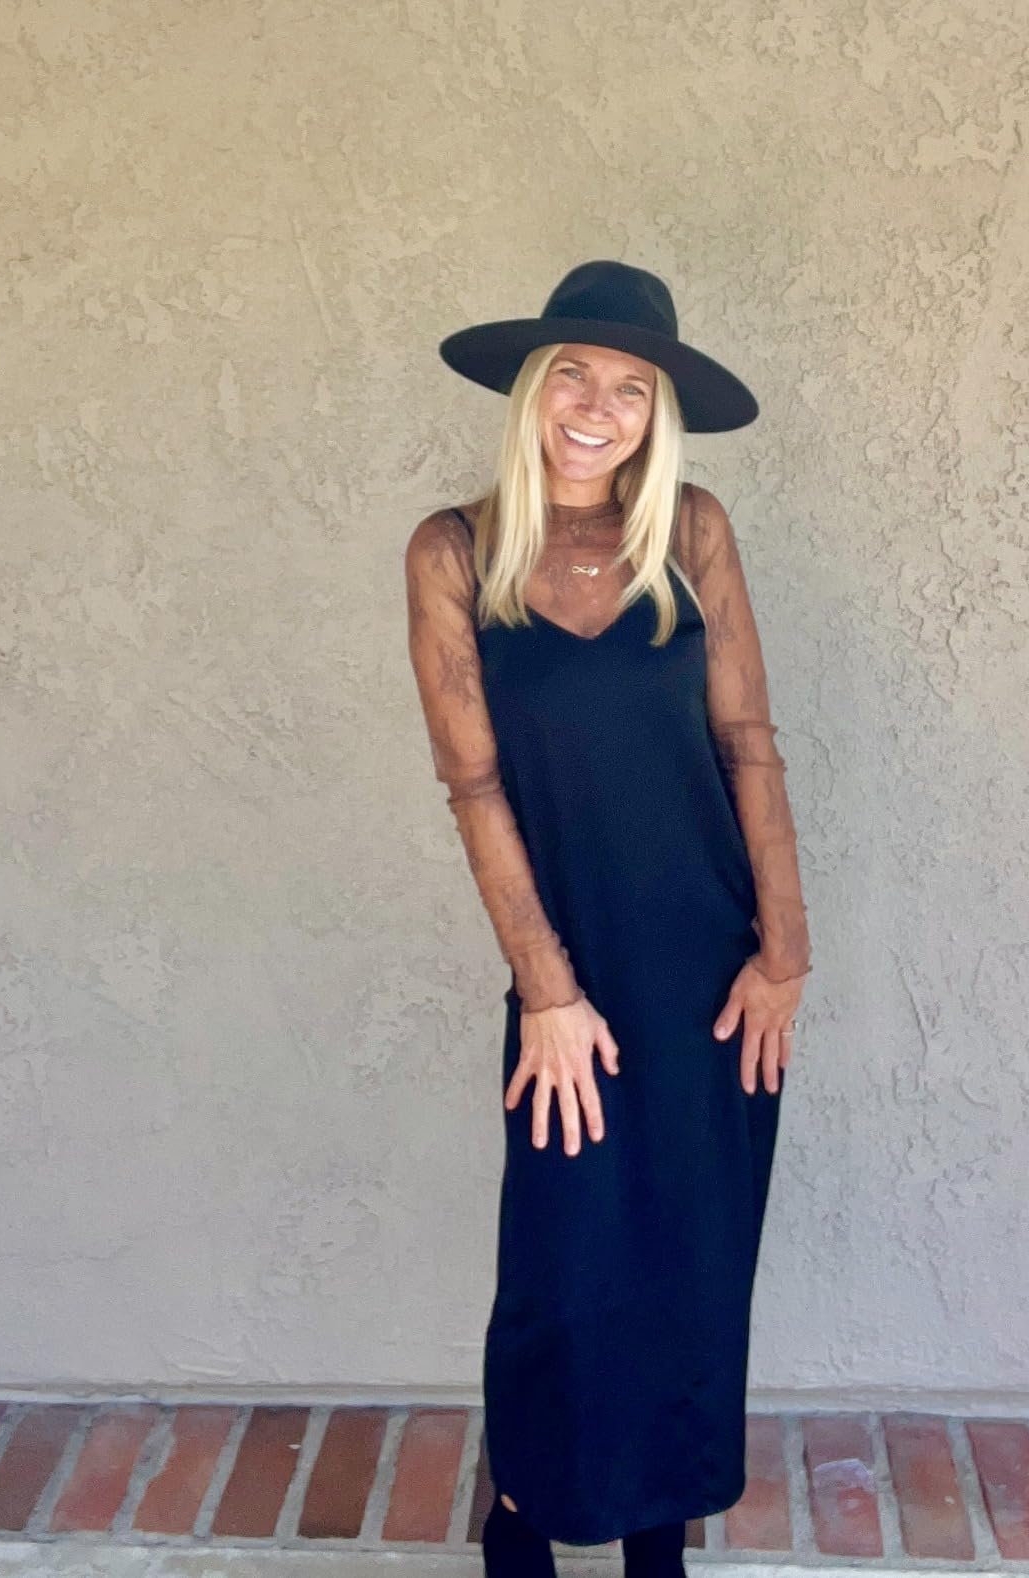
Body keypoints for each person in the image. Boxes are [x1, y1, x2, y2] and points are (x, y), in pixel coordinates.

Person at [404, 261, 812, 1578]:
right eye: (573, 373)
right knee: (565, 1267)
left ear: (658, 410)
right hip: (567, 983)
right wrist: (545, 988)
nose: (598, 405)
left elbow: (748, 744)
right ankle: (522, 1516)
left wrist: (783, 951)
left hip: (711, 972)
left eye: (630, 387)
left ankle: (656, 1535)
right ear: (531, 388)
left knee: (692, 1262)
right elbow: (472, 783)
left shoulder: (688, 532)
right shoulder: (455, 552)